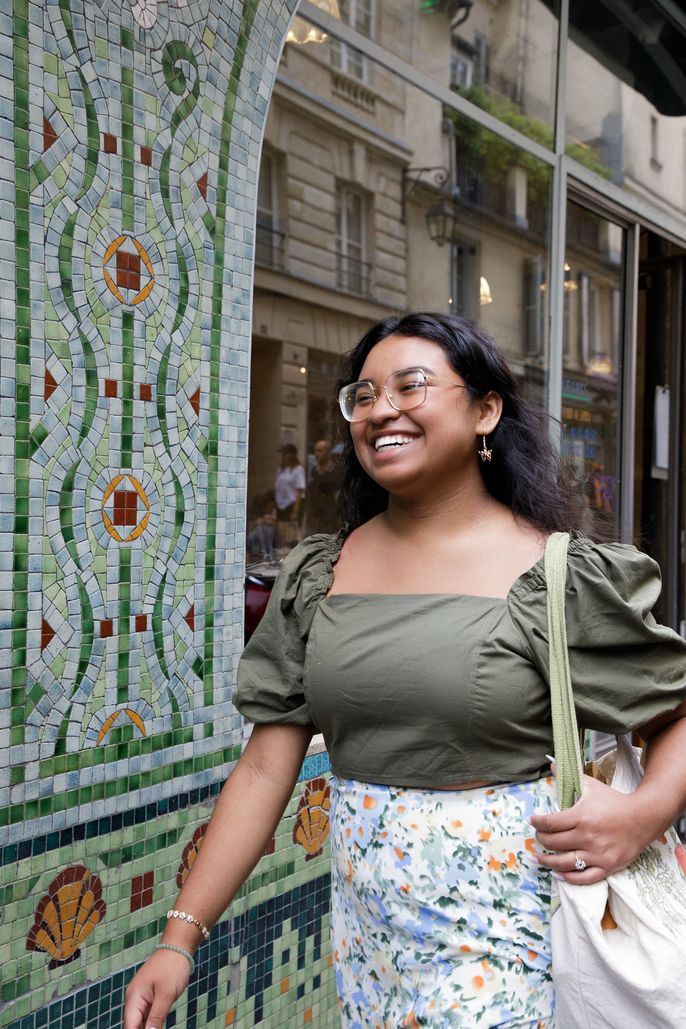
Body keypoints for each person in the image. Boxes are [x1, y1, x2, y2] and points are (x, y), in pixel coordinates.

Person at [124, 312, 686, 1029]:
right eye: (363, 394)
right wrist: (180, 936)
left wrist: (644, 813)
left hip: (515, 943)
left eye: (410, 385)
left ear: (486, 411)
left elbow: (675, 712)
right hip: (370, 946)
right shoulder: (320, 575)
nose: (380, 408)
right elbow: (266, 770)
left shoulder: (556, 576)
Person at [305, 438, 340, 534]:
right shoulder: (313, 471)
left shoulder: (335, 471)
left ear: (328, 452)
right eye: (315, 451)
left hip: (330, 517)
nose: (316, 454)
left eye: (320, 451)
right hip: (315, 516)